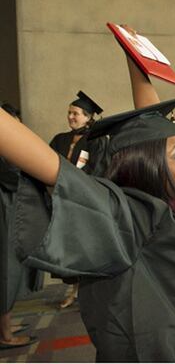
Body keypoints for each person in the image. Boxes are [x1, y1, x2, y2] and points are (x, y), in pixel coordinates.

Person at [0, 48, 175, 361]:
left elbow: (155, 126)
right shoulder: (125, 217)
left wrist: (135, 55)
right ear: (147, 166)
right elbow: (50, 167)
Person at [49, 91, 107, 309]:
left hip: (85, 201)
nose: (71, 117)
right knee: (70, 248)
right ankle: (74, 291)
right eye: (69, 113)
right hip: (62, 201)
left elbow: (99, 169)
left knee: (87, 246)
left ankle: (90, 292)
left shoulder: (97, 140)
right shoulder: (59, 139)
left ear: (88, 117)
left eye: (75, 113)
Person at [0, 103, 40, 350]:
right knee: (6, 268)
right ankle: (5, 335)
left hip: (9, 203)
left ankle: (5, 323)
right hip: (4, 204)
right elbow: (11, 176)